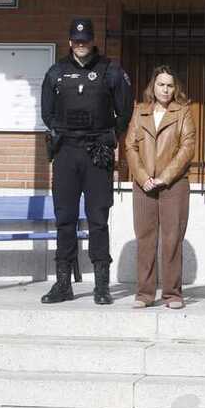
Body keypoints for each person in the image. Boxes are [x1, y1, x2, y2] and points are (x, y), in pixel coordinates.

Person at [40, 17, 133, 305]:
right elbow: (47, 113)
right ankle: (63, 284)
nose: (81, 45)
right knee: (64, 219)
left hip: (97, 153)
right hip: (67, 152)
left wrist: (109, 137)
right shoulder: (56, 73)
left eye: (86, 40)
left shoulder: (111, 72)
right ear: (70, 42)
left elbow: (125, 110)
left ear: (93, 41)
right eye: (76, 41)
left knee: (98, 219)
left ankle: (101, 286)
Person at [124, 66, 196, 309]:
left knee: (172, 239)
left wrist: (165, 177)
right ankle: (144, 294)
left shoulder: (183, 112)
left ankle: (172, 294)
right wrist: (142, 176)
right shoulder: (140, 111)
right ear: (152, 87)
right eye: (161, 84)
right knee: (145, 239)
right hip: (144, 185)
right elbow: (130, 147)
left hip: (173, 185)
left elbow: (187, 147)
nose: (165, 89)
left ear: (175, 89)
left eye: (169, 85)